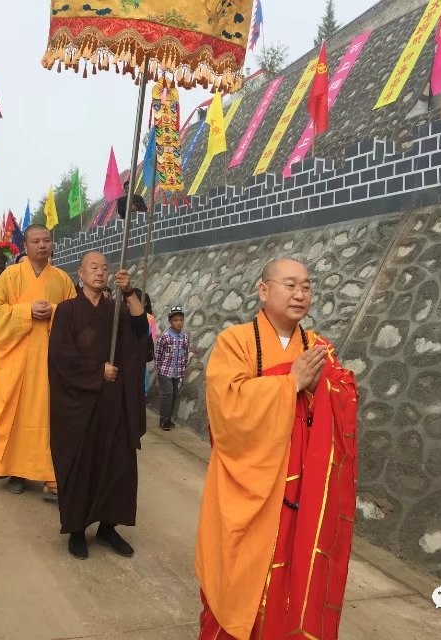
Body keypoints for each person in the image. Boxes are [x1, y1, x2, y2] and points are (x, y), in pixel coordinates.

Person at [196, 258, 358, 640]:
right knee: (237, 580)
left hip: (301, 491)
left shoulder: (318, 347)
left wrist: (319, 386)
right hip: (249, 487)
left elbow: (344, 398)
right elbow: (226, 406)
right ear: (263, 290)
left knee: (293, 580)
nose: (300, 294)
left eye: (306, 285)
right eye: (290, 285)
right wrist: (291, 383)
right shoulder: (234, 341)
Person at [49, 252, 149, 559]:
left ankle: (108, 527)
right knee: (81, 464)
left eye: (104, 268)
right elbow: (59, 358)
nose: (100, 271)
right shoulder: (67, 310)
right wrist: (97, 372)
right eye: (93, 267)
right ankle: (77, 530)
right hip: (78, 403)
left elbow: (140, 333)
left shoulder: (115, 310)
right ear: (79, 272)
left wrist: (129, 292)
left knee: (116, 462)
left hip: (112, 400)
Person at [0, 225, 76, 499]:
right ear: (26, 246)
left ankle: (49, 474)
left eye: (47, 241)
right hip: (17, 361)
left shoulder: (62, 279)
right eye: (36, 241)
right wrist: (26, 312)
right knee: (16, 414)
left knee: (48, 418)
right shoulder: (11, 276)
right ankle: (16, 470)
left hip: (50, 363)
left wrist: (55, 312)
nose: (42, 246)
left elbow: (75, 316)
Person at [154, 306, 190, 430]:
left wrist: (183, 368)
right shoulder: (165, 336)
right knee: (168, 394)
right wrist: (160, 368)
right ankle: (163, 420)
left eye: (181, 320)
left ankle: (168, 419)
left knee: (174, 395)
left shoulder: (185, 337)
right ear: (170, 321)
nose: (179, 323)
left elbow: (185, 354)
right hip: (165, 371)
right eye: (175, 320)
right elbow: (158, 354)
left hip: (177, 372)